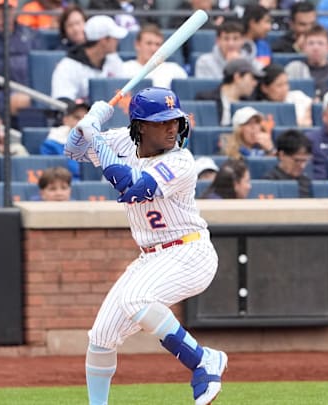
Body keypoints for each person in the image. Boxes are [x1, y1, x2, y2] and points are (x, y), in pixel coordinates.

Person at [64, 87, 228, 405]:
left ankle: (203, 360)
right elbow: (73, 151)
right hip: (150, 257)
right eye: (161, 122)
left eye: (175, 121)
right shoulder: (123, 141)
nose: (171, 128)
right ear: (140, 126)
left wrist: (94, 135)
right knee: (101, 337)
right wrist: (86, 123)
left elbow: (132, 188)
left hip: (189, 252)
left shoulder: (182, 161)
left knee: (137, 299)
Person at [51, 15, 127, 101]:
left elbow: (123, 90)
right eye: (114, 37)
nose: (117, 40)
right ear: (103, 40)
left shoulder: (114, 59)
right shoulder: (67, 66)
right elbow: (63, 101)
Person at [284, 24, 328, 101]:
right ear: (303, 47)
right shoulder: (294, 68)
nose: (315, 48)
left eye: (320, 43)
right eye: (311, 43)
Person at [195, 58, 264, 126]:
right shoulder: (205, 99)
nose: (255, 83)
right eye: (252, 78)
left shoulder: (249, 104)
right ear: (237, 77)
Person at [122, 24, 188, 89]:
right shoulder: (124, 69)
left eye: (157, 44)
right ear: (137, 45)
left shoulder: (175, 70)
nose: (153, 49)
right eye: (149, 43)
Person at [41, 98, 90, 180]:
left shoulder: (101, 143)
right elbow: (53, 177)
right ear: (65, 120)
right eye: (77, 118)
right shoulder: (51, 145)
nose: (82, 122)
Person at [256, 63, 313, 127]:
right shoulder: (260, 108)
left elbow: (313, 105)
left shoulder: (297, 96)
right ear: (264, 88)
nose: (285, 89)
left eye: (286, 83)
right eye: (279, 85)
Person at [263, 129, 312, 198]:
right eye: (297, 160)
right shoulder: (269, 182)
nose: (302, 166)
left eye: (305, 161)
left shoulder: (307, 182)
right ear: (282, 155)